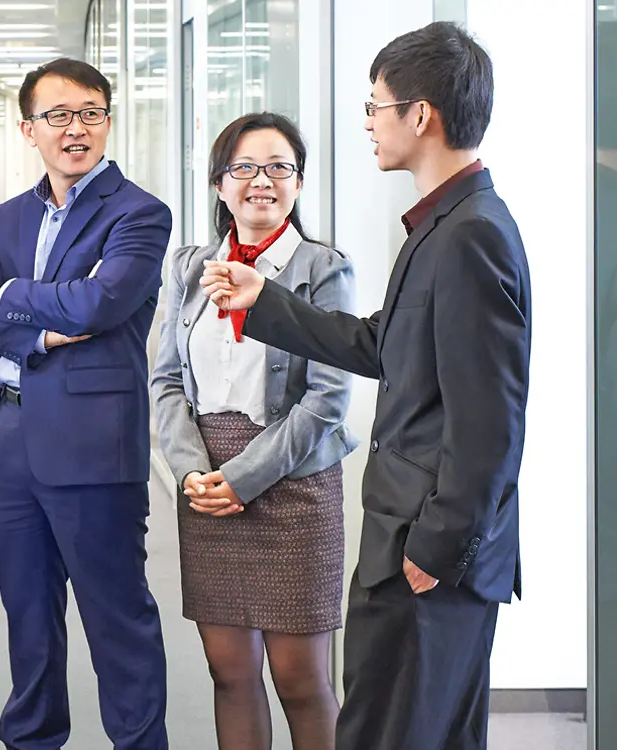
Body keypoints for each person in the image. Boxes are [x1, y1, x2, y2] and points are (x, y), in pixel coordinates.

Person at [200, 22, 530, 750]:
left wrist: (435, 550)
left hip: (426, 554)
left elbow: (491, 423)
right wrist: (264, 301)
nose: (368, 123)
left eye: (376, 106)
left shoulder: (471, 234)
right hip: (412, 542)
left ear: (419, 115)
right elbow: (383, 343)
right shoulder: (442, 224)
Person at [0, 57, 171, 749]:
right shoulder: (10, 215)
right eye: (58, 116)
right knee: (27, 617)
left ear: (108, 121)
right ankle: (33, 740)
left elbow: (103, 301)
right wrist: (45, 330)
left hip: (93, 442)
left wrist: (16, 296)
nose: (75, 129)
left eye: (91, 113)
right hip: (12, 437)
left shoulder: (139, 213)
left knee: (116, 619)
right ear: (29, 129)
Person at [151, 112, 357, 750]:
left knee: (303, 680)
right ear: (218, 183)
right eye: (243, 167)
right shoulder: (189, 267)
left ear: (298, 184)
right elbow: (164, 384)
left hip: (292, 486)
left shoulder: (323, 268)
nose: (260, 181)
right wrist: (192, 473)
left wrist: (242, 479)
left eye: (278, 168)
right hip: (207, 483)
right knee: (230, 674)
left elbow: (329, 399)